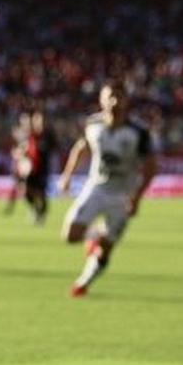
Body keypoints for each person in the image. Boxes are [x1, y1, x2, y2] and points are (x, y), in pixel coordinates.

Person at [57, 82, 156, 296]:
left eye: (119, 97)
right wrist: (66, 176)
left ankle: (84, 282)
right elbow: (81, 149)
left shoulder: (138, 132)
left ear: (126, 101)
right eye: (109, 97)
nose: (114, 102)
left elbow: (150, 167)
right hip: (96, 188)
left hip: (123, 195)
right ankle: (94, 236)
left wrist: (137, 197)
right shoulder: (93, 124)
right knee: (71, 235)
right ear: (101, 100)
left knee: (107, 248)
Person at [23, 110, 54, 225]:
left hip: (43, 169)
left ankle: (42, 213)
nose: (40, 122)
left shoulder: (48, 135)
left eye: (42, 120)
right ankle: (35, 209)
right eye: (38, 119)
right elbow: (26, 150)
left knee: (41, 193)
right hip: (31, 169)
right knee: (26, 191)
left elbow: (52, 149)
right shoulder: (31, 135)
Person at [1, 112, 30, 215]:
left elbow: (28, 150)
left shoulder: (30, 135)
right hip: (19, 164)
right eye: (23, 120)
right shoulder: (17, 132)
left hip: (27, 164)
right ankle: (10, 207)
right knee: (16, 187)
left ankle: (32, 208)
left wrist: (20, 153)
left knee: (25, 188)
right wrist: (16, 154)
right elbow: (14, 149)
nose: (25, 122)